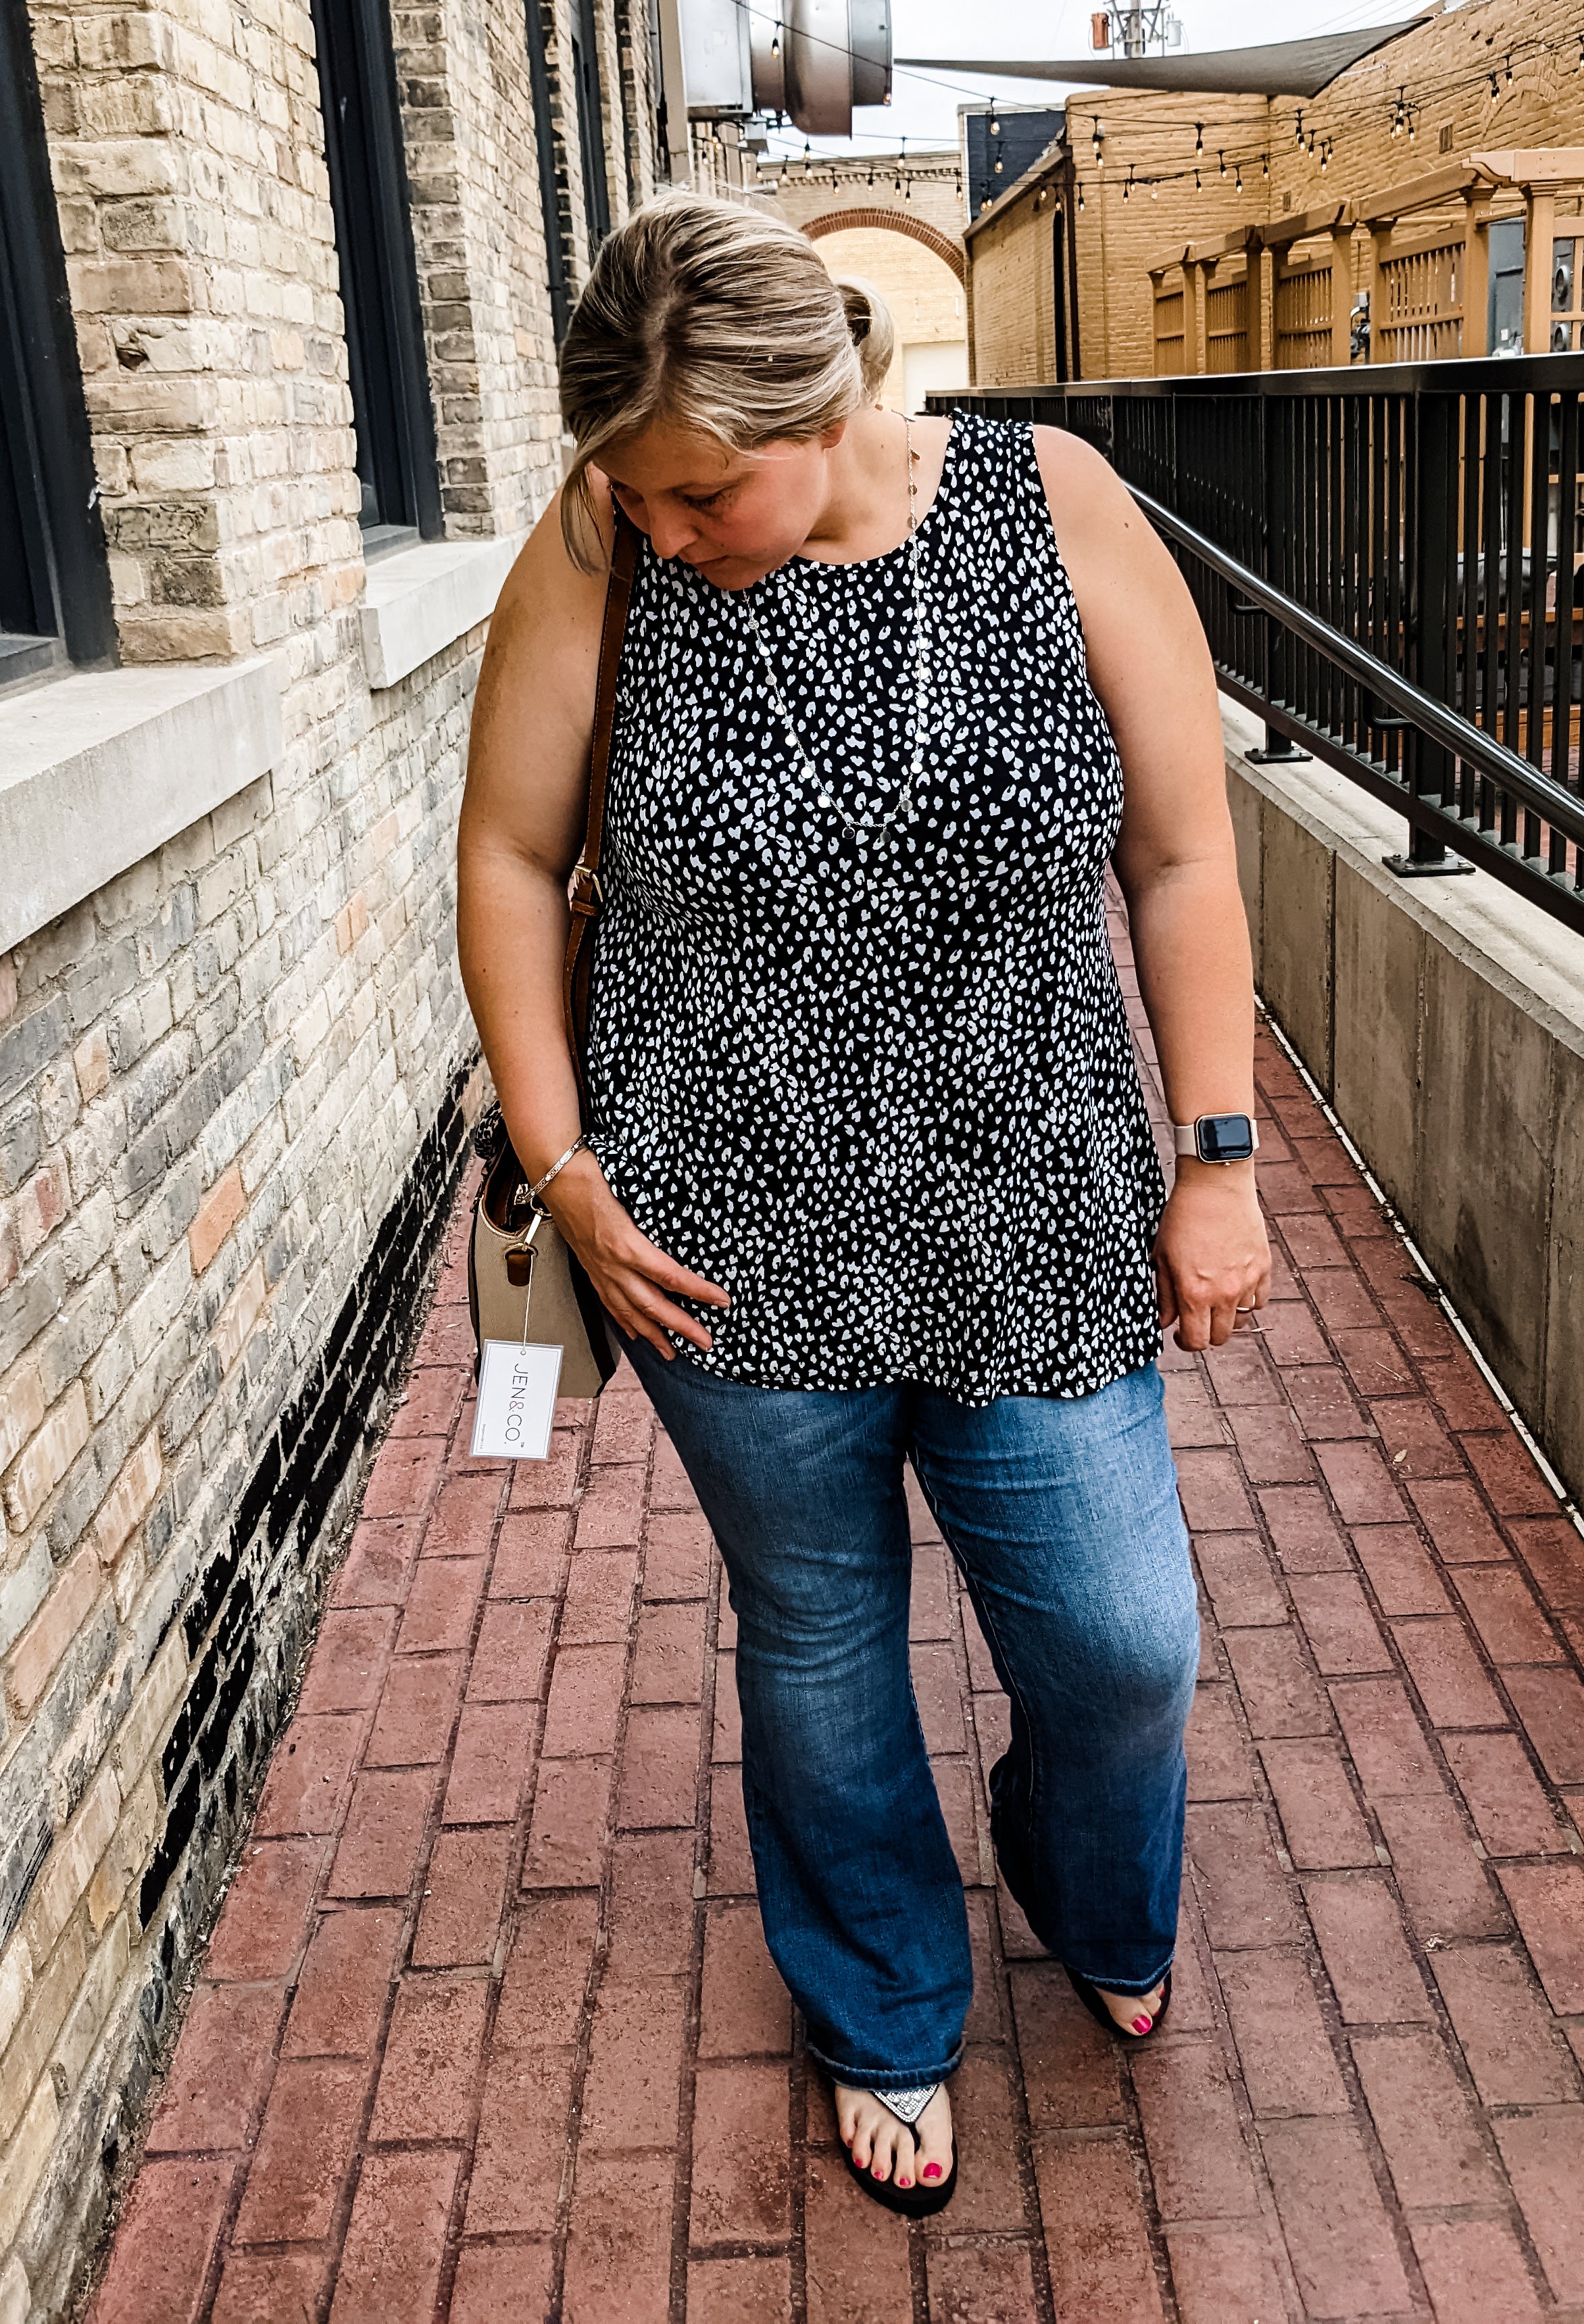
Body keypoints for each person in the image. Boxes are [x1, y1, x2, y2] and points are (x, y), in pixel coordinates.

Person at [456, 193, 1270, 2217]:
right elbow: (503, 850)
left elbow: (1177, 856)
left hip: (1037, 1203)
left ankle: (1079, 1866)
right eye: (630, 493)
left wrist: (1219, 1155)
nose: (658, 529)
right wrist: (561, 1161)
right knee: (816, 1632)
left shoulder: (1051, 503)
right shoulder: (594, 551)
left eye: (696, 492)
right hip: (720, 1218)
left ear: (821, 403)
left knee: (1117, 1641)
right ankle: (882, 2000)